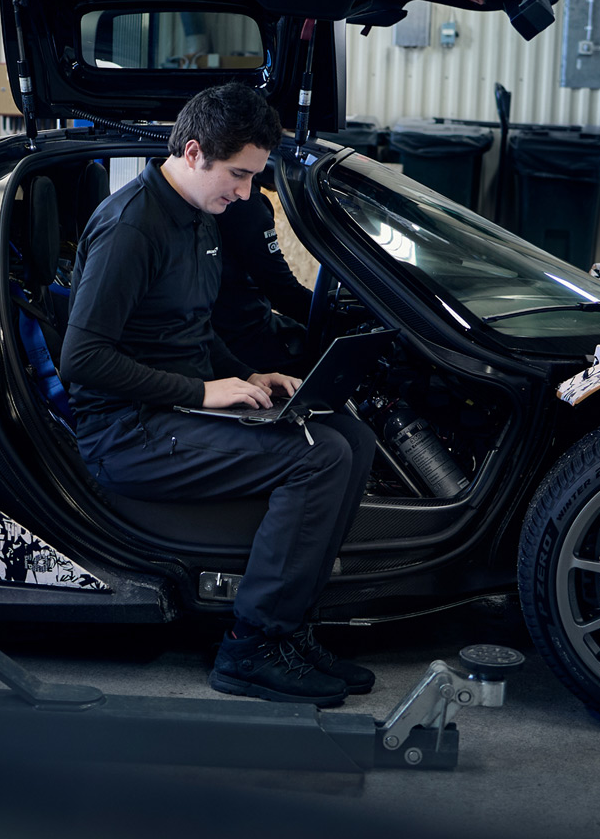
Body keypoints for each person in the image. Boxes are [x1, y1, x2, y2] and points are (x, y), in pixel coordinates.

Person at [60, 83, 377, 706]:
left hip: (172, 407)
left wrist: (250, 374)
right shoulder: (133, 227)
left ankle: (291, 627)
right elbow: (84, 359)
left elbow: (194, 333)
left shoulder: (200, 218)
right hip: (127, 432)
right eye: (238, 175)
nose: (245, 192)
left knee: (353, 438)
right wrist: (203, 391)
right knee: (319, 456)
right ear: (195, 152)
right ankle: (252, 646)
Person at [212, 169, 316, 377]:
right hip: (242, 337)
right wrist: (334, 318)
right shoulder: (246, 206)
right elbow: (282, 291)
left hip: (234, 326)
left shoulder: (235, 201)